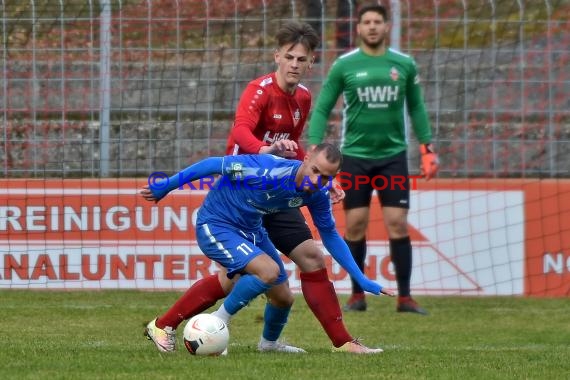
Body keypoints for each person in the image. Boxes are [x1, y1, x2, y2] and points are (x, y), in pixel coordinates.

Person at [144, 21, 387, 354]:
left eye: (302, 59)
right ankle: (196, 324)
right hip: (243, 188)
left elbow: (305, 155)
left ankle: (325, 342)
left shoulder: (302, 98)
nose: (295, 65)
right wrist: (265, 153)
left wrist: (317, 179)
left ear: (311, 62)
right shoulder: (258, 91)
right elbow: (241, 132)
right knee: (249, 275)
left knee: (303, 266)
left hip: (277, 194)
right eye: (290, 57)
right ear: (277, 56)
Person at [142, 144, 392, 354]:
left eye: (326, 177)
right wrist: (167, 186)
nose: (317, 181)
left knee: (282, 297)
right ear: (305, 159)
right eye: (315, 171)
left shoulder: (317, 192)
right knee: (268, 271)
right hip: (217, 224)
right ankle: (216, 322)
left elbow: (330, 235)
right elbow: (212, 165)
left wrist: (360, 278)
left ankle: (268, 344)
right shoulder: (265, 169)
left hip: (251, 230)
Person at [308, 4, 439, 314]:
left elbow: (417, 108)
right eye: (365, 22)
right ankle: (357, 295)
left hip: (393, 157)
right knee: (355, 226)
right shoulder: (345, 65)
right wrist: (314, 147)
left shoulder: (403, 64)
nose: (371, 27)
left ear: (386, 26)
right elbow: (324, 106)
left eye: (377, 22)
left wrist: (427, 148)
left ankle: (405, 297)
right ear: (358, 27)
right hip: (355, 158)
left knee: (397, 223)